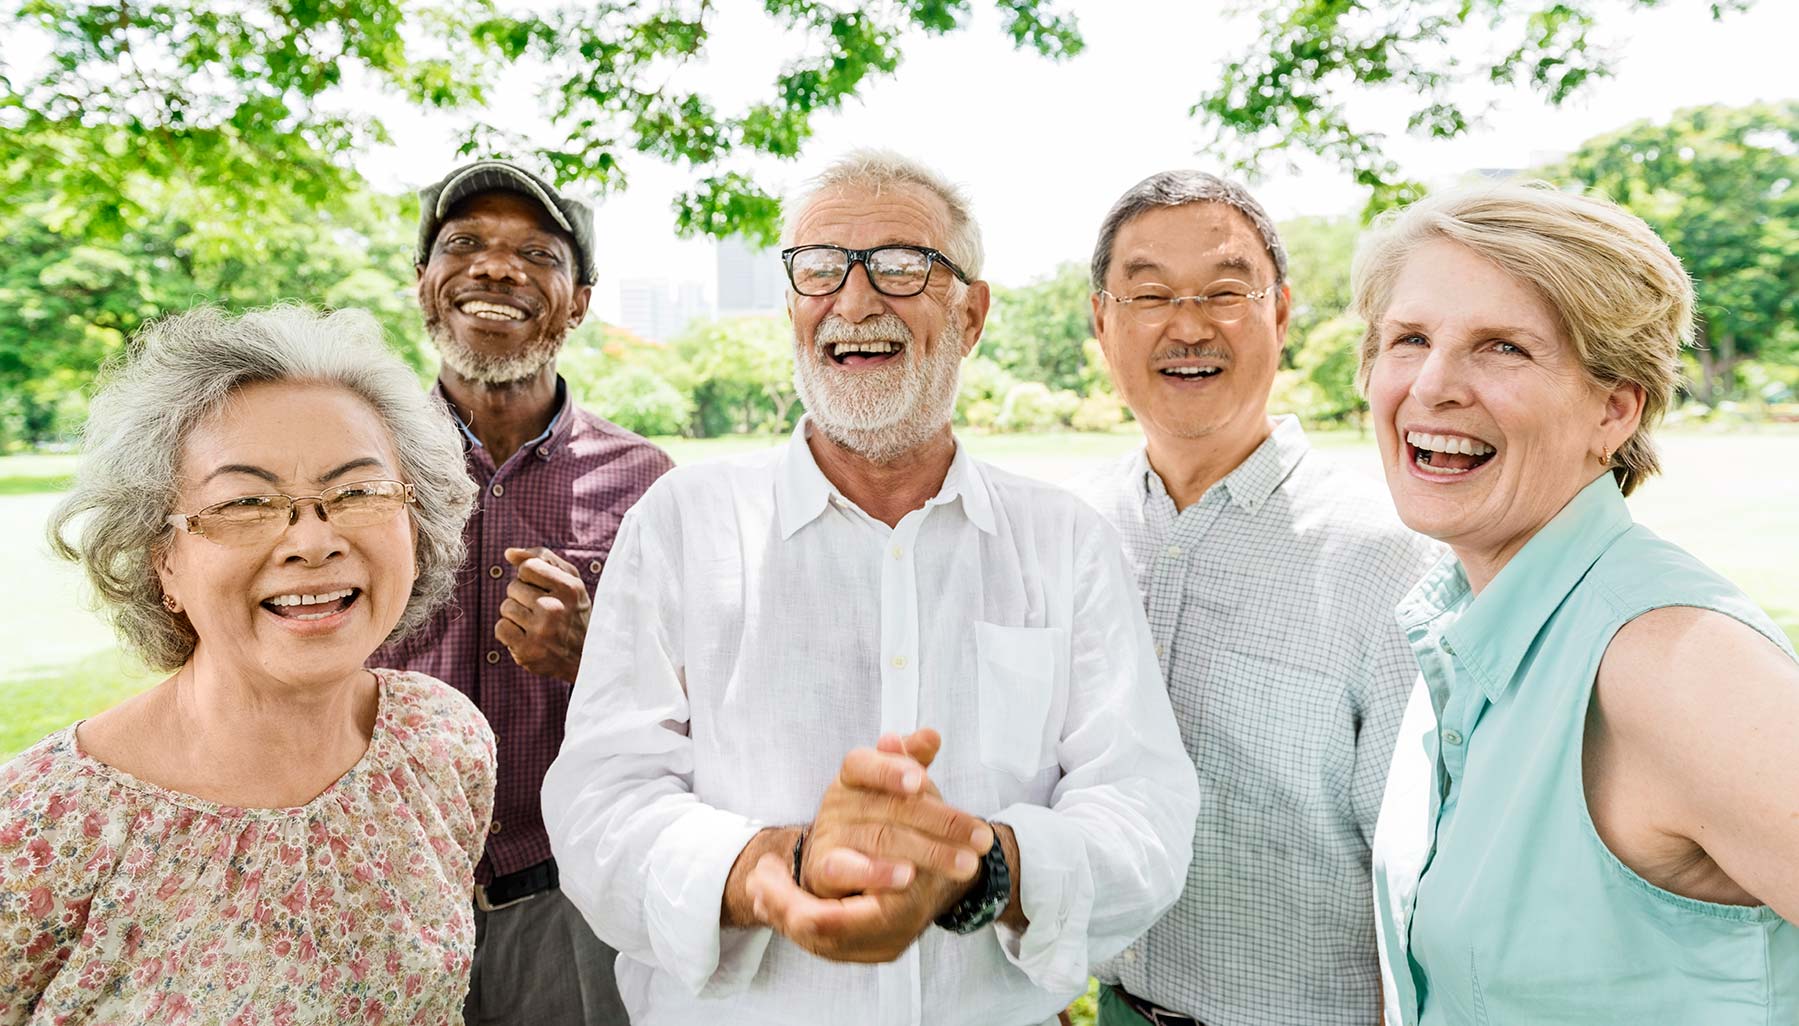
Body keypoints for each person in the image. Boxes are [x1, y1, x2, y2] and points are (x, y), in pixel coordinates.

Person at [542, 150, 1200, 1026]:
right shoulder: (683, 523)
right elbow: (601, 804)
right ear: (790, 307)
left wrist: (981, 868)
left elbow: (1142, 809)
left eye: (901, 265)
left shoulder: (1063, 541)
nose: (854, 301)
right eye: (820, 268)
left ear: (970, 315)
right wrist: (774, 870)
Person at [1358, 184, 1799, 1025]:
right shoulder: (1461, 628)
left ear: (1614, 408)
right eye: (1408, 338)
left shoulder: (1670, 660)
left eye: (1503, 348)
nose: (1434, 385)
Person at [0, 305, 491, 1024]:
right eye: (245, 503)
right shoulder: (43, 824)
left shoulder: (441, 740)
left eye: (356, 492)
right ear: (162, 558)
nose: (312, 541)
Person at [1074, 170, 1443, 1026]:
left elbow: (1420, 876)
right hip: (1117, 1005)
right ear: (1101, 321)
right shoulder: (1073, 534)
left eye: (1225, 291)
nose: (1188, 324)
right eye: (1149, 294)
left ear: (1280, 313)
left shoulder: (1386, 554)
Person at [373, 159, 673, 1026]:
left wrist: (595, 655)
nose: (496, 269)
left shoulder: (648, 480)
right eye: (463, 244)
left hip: (570, 899)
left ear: (578, 299)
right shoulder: (357, 463)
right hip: (381, 890)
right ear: (423, 285)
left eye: (535, 254)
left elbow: (704, 708)